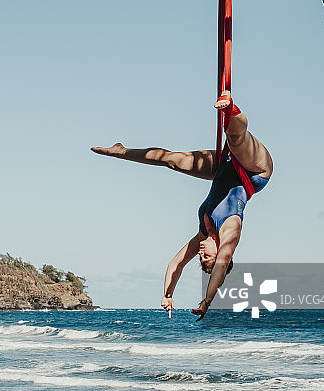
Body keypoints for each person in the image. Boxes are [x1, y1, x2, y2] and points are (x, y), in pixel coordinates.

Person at [91, 91, 272, 320]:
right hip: (255, 172)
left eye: (201, 258)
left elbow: (175, 264)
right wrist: (208, 301)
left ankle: (120, 151)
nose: (201, 254)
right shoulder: (230, 229)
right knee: (236, 140)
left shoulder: (202, 234)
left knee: (171, 160)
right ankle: (231, 108)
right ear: (219, 254)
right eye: (207, 258)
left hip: (222, 169)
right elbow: (223, 263)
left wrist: (167, 294)